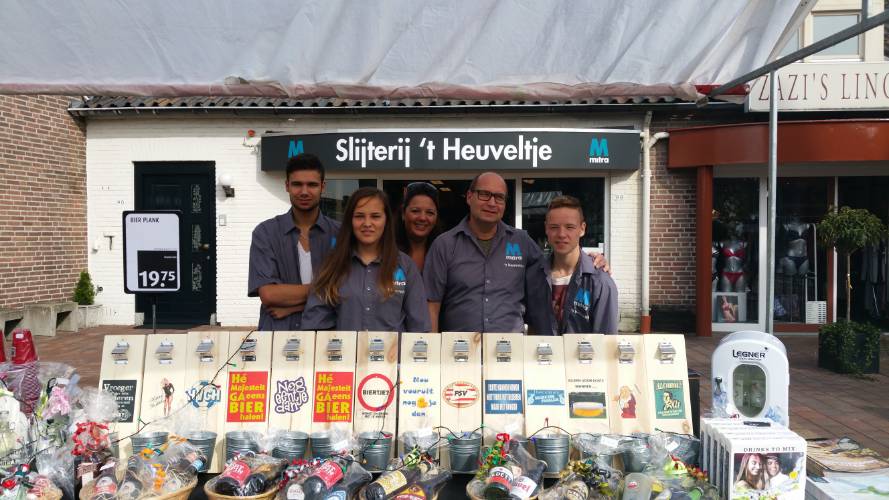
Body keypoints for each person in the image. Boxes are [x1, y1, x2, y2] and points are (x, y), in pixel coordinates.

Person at [423, 172, 552, 334]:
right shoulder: (444, 245)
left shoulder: (522, 242)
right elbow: (432, 305)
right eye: (484, 194)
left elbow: (544, 288)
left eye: (499, 197)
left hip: (511, 347)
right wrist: (432, 347)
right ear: (469, 197)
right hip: (458, 347)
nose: (492, 203)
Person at [301, 187, 430, 332]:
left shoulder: (405, 266)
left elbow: (420, 329)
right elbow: (315, 325)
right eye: (359, 216)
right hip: (344, 348)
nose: (367, 223)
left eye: (375, 216)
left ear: (386, 220)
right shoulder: (332, 265)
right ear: (350, 220)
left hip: (393, 348)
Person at [248, 153, 340, 330]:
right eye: (297, 184)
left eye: (312, 185)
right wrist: (327, 290)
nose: (304, 192)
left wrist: (292, 307)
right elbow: (269, 294)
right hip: (277, 335)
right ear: (287, 186)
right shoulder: (265, 233)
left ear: (323, 187)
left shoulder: (340, 234)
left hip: (326, 336)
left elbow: (348, 292)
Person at [543, 195, 619, 334]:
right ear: (546, 228)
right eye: (554, 227)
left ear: (582, 229)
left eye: (570, 227)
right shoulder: (534, 277)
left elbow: (607, 340)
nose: (561, 234)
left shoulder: (600, 282)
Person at [396, 181, 441, 273]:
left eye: (430, 212)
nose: (422, 218)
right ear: (403, 213)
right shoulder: (386, 251)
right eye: (415, 211)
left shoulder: (444, 252)